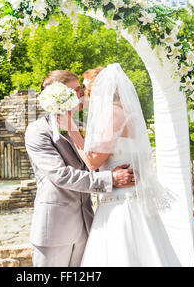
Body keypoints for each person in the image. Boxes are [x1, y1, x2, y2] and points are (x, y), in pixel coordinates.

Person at [57, 64, 181, 266]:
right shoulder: (122, 112)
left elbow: (92, 162)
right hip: (126, 195)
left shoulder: (111, 114)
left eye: (84, 90)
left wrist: (71, 130)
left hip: (121, 202)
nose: (81, 96)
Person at [24, 69, 135, 267]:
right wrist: (111, 179)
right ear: (59, 95)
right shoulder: (38, 131)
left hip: (88, 225)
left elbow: (94, 162)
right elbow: (61, 175)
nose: (82, 93)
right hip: (55, 229)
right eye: (76, 90)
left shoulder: (82, 126)